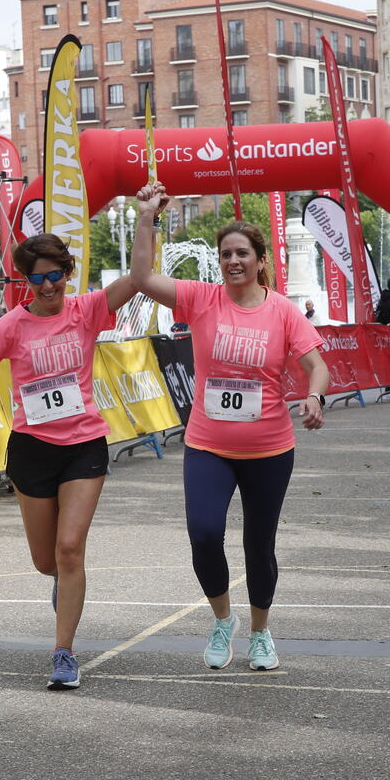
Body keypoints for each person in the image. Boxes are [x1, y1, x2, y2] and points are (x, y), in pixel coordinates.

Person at [0, 233, 137, 691]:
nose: (48, 286)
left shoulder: (87, 310)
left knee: (70, 548)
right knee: (46, 561)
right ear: (26, 281)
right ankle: (61, 577)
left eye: (55, 275)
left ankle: (63, 653)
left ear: (67, 273)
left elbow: (138, 276)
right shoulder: (13, 325)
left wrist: (150, 218)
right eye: (37, 279)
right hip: (32, 450)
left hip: (83, 446)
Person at [128, 181, 329, 672]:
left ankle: (260, 632)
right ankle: (223, 620)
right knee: (202, 533)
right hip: (208, 446)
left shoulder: (282, 311)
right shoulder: (200, 299)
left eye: (242, 253)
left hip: (269, 450)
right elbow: (139, 277)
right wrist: (146, 217)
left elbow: (316, 365)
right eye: (225, 254)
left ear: (261, 260)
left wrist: (315, 395)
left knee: (259, 546)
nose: (232, 261)